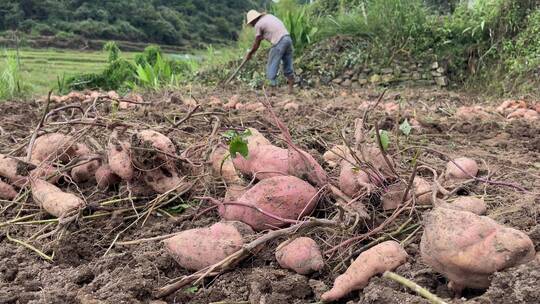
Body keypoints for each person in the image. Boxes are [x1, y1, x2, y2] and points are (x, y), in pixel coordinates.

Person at [245, 10, 294, 94]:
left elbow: (256, 43)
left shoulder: (258, 24)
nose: (252, 26)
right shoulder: (269, 17)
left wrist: (250, 53)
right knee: (287, 64)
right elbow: (270, 31)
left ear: (253, 20)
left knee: (271, 65)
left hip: (279, 41)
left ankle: (272, 90)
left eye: (251, 23)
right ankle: (291, 89)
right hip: (288, 39)